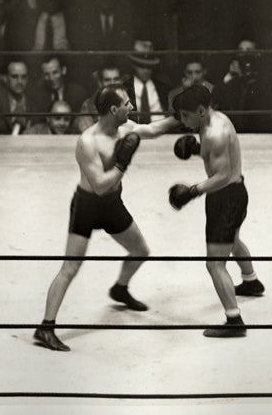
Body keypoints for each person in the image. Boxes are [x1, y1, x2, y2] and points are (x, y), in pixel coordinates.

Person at [34, 84, 181, 351]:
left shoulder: (125, 129)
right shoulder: (87, 142)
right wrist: (122, 162)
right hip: (88, 206)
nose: (132, 107)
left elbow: (154, 129)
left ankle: (120, 289)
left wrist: (183, 113)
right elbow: (100, 185)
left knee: (140, 251)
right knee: (70, 267)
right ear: (114, 109)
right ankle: (45, 327)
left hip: (112, 205)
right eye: (127, 103)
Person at [169, 84, 264, 338]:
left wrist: (192, 191)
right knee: (232, 240)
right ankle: (251, 281)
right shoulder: (214, 119)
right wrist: (195, 150)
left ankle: (234, 321)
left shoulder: (216, 132)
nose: (182, 120)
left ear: (200, 111)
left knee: (214, 264)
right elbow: (217, 158)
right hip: (235, 194)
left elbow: (221, 175)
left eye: (186, 115)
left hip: (226, 196)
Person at [123, 39, 171, 124]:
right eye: (141, 66)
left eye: (149, 67)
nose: (146, 70)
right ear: (134, 65)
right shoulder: (126, 88)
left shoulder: (163, 88)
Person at [75, 63, 122, 133]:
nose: (112, 83)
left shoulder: (129, 103)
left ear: (121, 81)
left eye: (116, 79)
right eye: (107, 80)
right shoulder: (88, 106)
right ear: (100, 83)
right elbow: (87, 134)